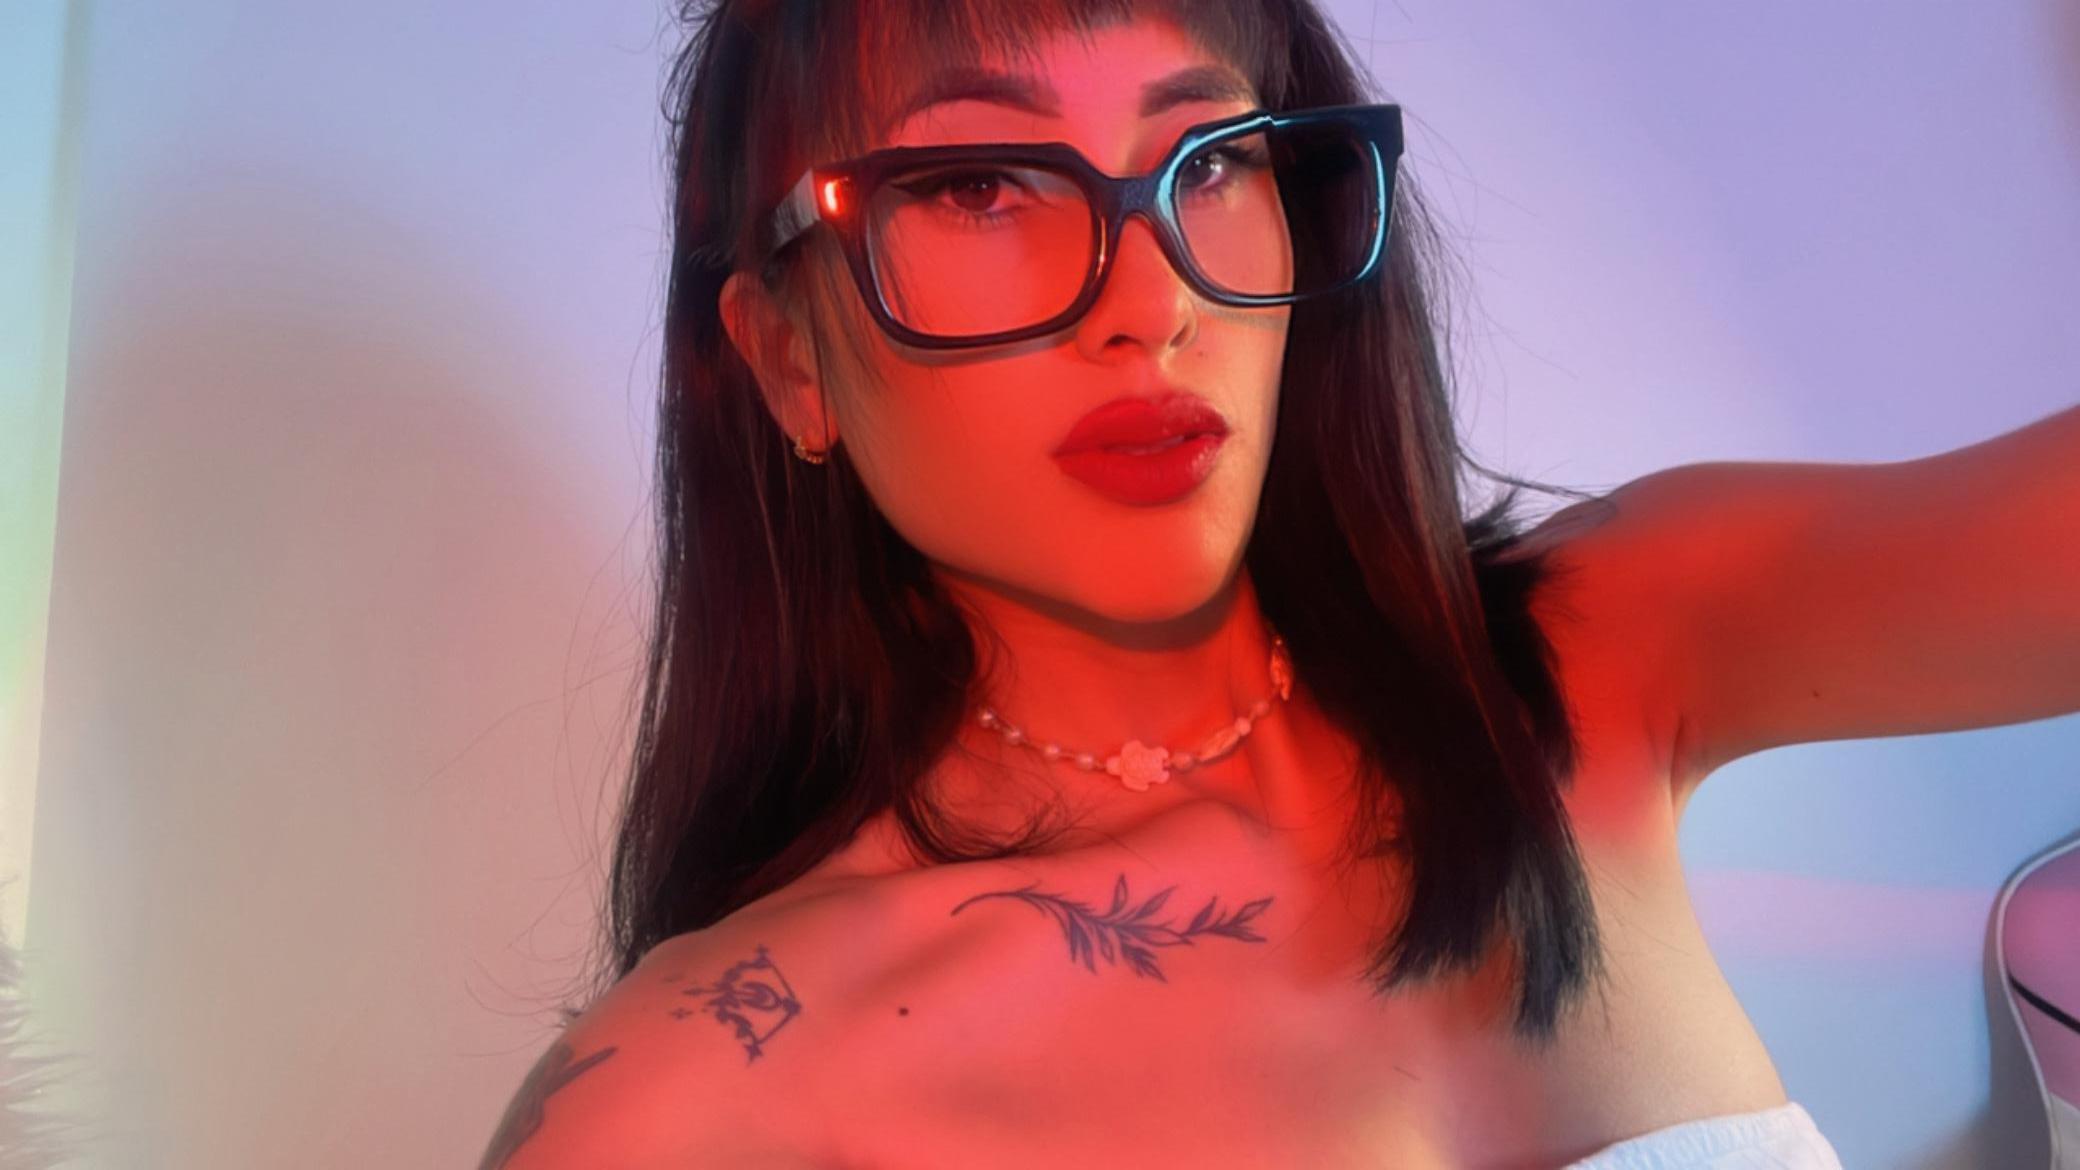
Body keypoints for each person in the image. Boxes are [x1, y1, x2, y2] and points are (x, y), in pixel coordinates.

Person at [480, 0, 1852, 1165]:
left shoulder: (1607, 648)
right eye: (977, 185)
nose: (1153, 304)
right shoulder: (691, 1091)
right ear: (790, 358)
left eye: (1212, 161)